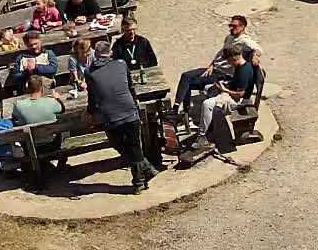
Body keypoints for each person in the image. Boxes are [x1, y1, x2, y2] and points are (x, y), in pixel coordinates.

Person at [84, 40, 161, 193]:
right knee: (134, 147)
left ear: (95, 54)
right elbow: (131, 87)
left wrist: (91, 112)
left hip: (111, 116)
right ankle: (146, 169)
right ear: (110, 52)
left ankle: (139, 182)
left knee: (120, 145)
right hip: (130, 110)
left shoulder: (89, 72)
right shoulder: (121, 64)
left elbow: (92, 96)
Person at [175, 15, 263, 108]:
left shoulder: (245, 41)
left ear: (242, 27)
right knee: (185, 75)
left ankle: (181, 110)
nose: (231, 28)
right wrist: (212, 64)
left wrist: (255, 56)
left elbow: (258, 49)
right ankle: (177, 107)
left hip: (223, 74)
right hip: (214, 69)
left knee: (189, 82)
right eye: (230, 25)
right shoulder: (229, 37)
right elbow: (220, 53)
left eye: (234, 26)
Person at [196, 45, 257, 139]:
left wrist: (224, 90)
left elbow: (240, 94)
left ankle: (202, 136)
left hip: (239, 101)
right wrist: (225, 85)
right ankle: (210, 122)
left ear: (234, 59)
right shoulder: (242, 65)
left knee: (207, 104)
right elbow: (235, 83)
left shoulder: (243, 71)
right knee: (207, 88)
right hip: (232, 93)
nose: (228, 63)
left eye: (228, 61)